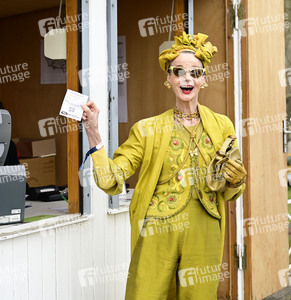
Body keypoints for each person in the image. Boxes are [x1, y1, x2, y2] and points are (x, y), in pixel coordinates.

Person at [81, 32, 247, 299]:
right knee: (146, 294)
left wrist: (236, 181)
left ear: (203, 79)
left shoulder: (222, 125)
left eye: (195, 72)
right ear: (168, 79)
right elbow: (111, 180)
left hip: (205, 228)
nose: (187, 78)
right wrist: (94, 134)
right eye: (178, 71)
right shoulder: (147, 129)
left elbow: (230, 190)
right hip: (157, 228)